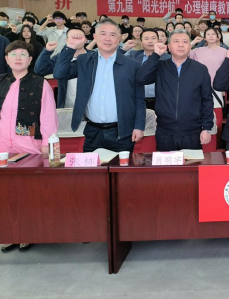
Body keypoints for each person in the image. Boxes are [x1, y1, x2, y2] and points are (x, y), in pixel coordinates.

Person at [0, 41, 58, 253]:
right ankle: (9, 233)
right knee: (5, 193)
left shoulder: (39, 83)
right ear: (6, 59)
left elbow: (48, 117)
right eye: (13, 54)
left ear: (30, 59)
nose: (18, 58)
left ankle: (28, 232)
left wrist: (47, 146)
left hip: (29, 145)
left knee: (27, 192)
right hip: (2, 146)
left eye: (23, 54)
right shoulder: (1, 81)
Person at [53, 19, 145, 152]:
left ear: (119, 38)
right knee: (91, 165)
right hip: (92, 131)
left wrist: (139, 126)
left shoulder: (132, 64)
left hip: (122, 132)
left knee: (122, 166)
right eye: (103, 34)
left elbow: (139, 98)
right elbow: (60, 74)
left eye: (112, 35)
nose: (107, 39)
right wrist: (70, 47)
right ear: (95, 37)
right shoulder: (85, 60)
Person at [136, 29, 214, 151]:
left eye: (185, 42)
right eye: (176, 41)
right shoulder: (161, 66)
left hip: (192, 131)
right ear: (168, 46)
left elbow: (207, 100)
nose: (181, 45)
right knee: (167, 163)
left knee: (192, 163)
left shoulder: (200, 69)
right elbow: (141, 78)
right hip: (165, 131)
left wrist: (207, 128)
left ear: (190, 46)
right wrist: (156, 55)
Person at [35, 28, 89, 108]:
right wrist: (47, 51)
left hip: (89, 106)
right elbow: (40, 70)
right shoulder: (60, 58)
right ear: (66, 40)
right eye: (73, 37)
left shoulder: (92, 58)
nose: (76, 39)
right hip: (66, 106)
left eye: (79, 37)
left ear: (85, 40)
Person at [128, 28, 171, 111]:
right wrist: (124, 49)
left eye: (153, 38)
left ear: (158, 41)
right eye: (146, 38)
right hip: (138, 100)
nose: (150, 41)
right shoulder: (133, 56)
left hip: (161, 100)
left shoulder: (168, 58)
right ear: (141, 43)